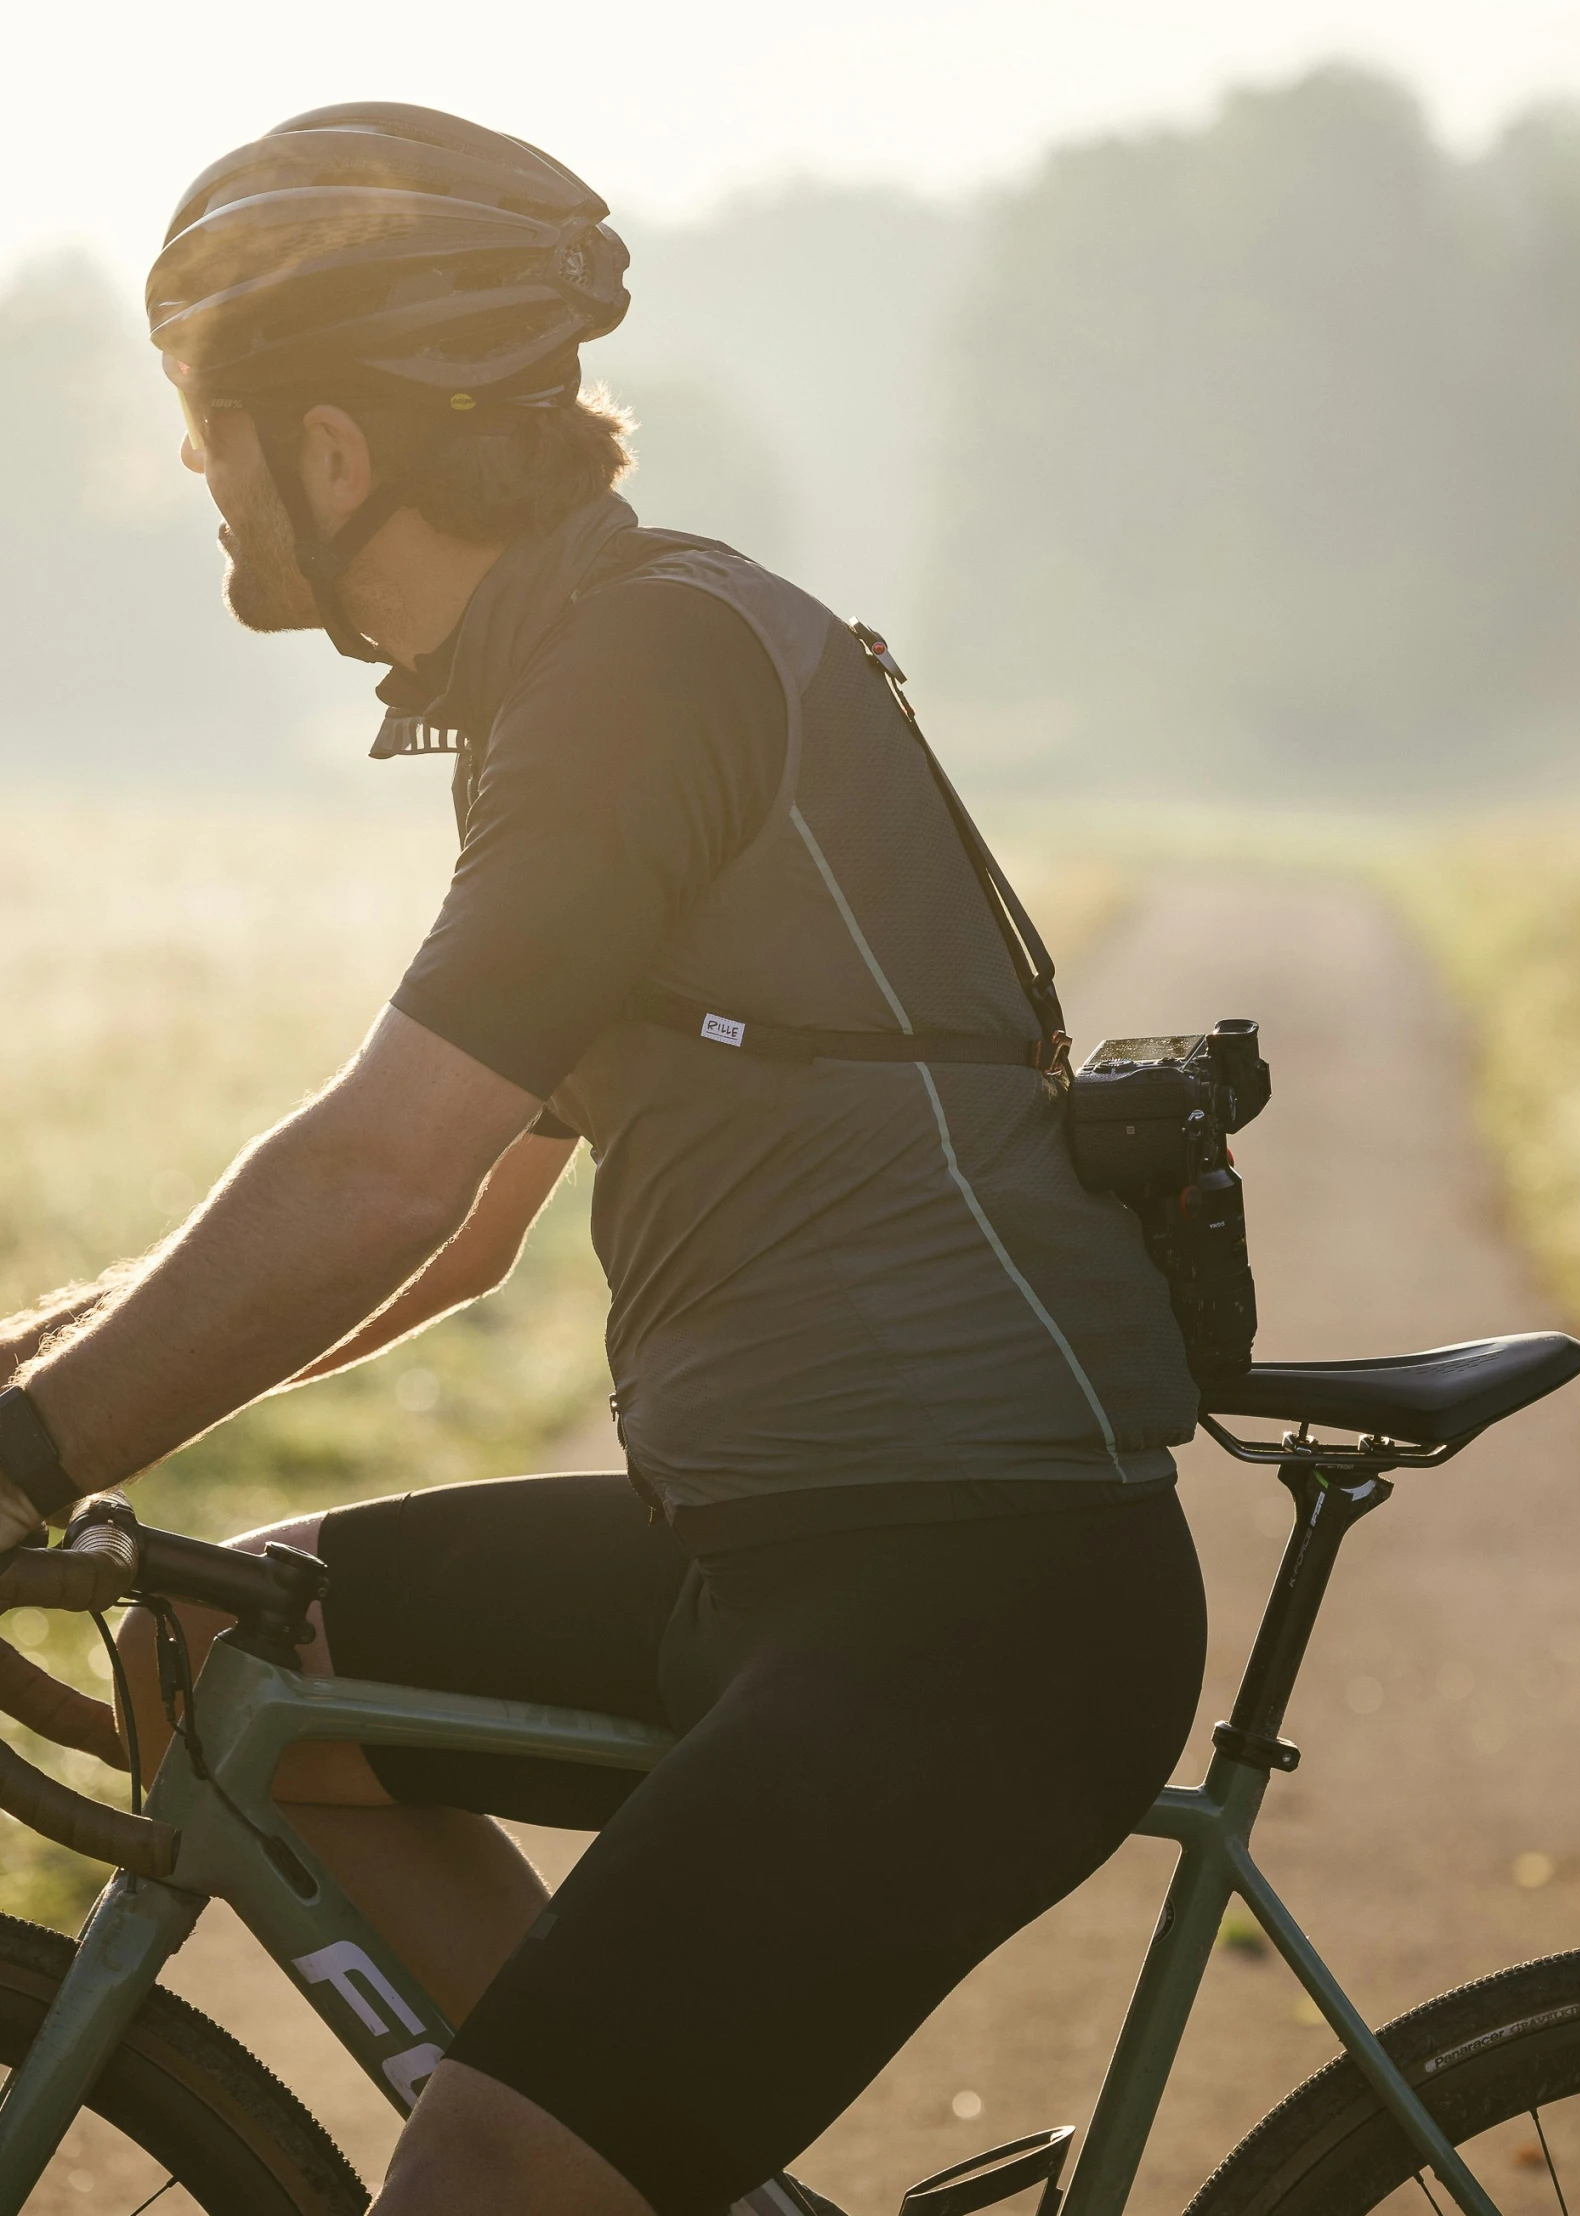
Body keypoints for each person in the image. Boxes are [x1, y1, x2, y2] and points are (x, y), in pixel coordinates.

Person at [0, 104, 1208, 2216]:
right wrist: (33, 1380)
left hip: (977, 1596)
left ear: (339, 450)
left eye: (211, 434)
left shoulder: (644, 677)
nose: (196, 482)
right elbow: (463, 1228)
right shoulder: (594, 665)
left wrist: (25, 1460)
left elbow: (392, 1168)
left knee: (477, 2181)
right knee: (231, 1654)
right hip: (783, 1534)